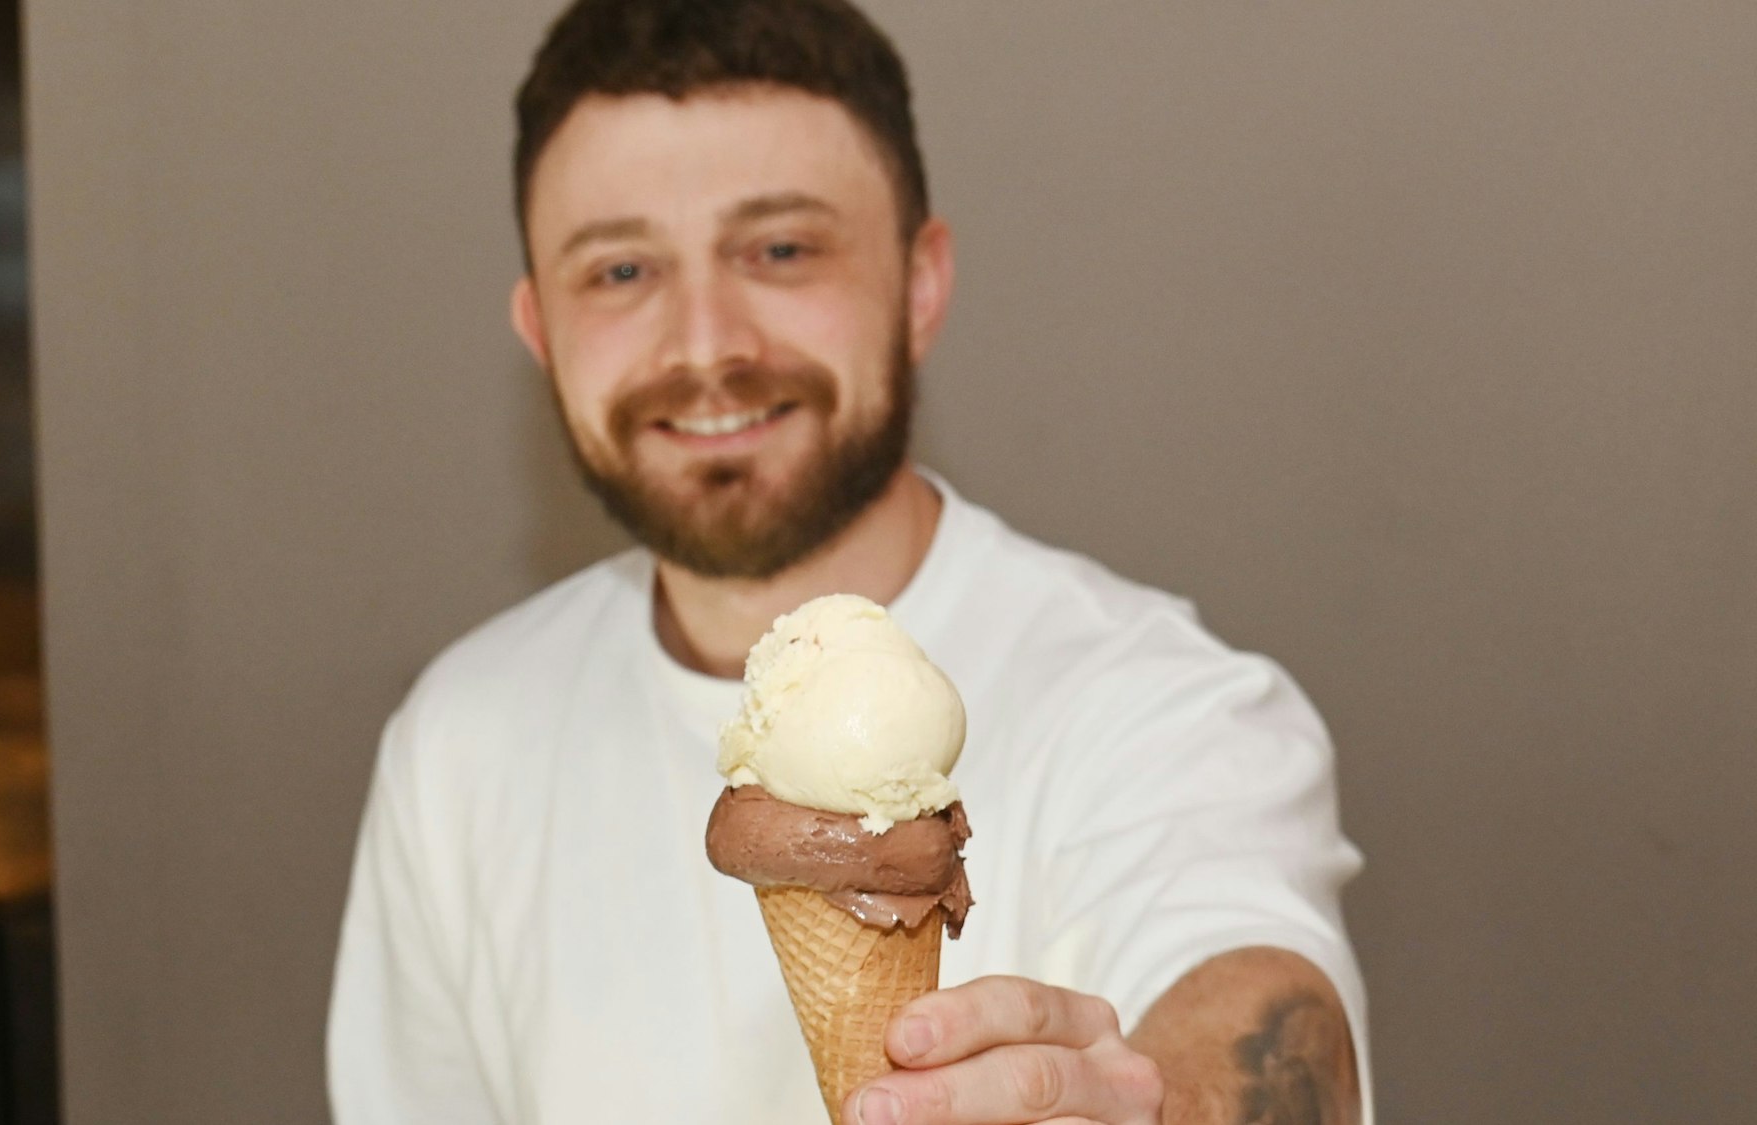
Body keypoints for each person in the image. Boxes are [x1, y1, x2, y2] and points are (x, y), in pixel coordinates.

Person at [327, 1, 1371, 1122]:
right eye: (620, 271)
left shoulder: (1165, 711)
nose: (706, 342)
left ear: (919, 285)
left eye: (779, 249)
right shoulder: (458, 742)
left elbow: (1257, 1016)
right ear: (540, 331)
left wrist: (1160, 1111)